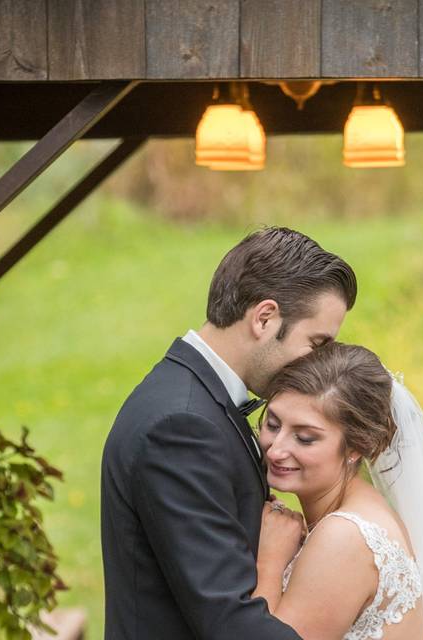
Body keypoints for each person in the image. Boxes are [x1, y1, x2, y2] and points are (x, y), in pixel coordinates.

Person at [100, 227, 357, 640]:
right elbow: (230, 621)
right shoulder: (181, 426)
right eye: (317, 343)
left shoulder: (192, 400)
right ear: (265, 318)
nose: (319, 364)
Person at [254, 342, 423, 639]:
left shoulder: (345, 536)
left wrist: (269, 561)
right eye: (272, 424)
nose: (275, 449)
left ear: (356, 447)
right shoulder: (364, 510)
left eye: (305, 438)